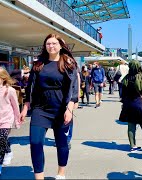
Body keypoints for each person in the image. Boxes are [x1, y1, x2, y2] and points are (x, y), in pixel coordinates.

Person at [20, 33, 79, 179]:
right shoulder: (38, 64)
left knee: (62, 143)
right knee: (35, 142)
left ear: (60, 46)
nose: (51, 46)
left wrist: (70, 108)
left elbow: (74, 88)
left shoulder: (68, 63)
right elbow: (30, 88)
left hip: (61, 109)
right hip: (40, 109)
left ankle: (61, 173)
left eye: (54, 43)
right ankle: (39, 177)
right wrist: (25, 107)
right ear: (45, 46)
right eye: (48, 44)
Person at [0, 67, 22, 175]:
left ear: (3, 78)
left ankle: (0, 164)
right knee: (1, 140)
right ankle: (8, 150)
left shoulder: (10, 90)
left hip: (6, 120)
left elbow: (16, 107)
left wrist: (17, 121)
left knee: (2, 138)